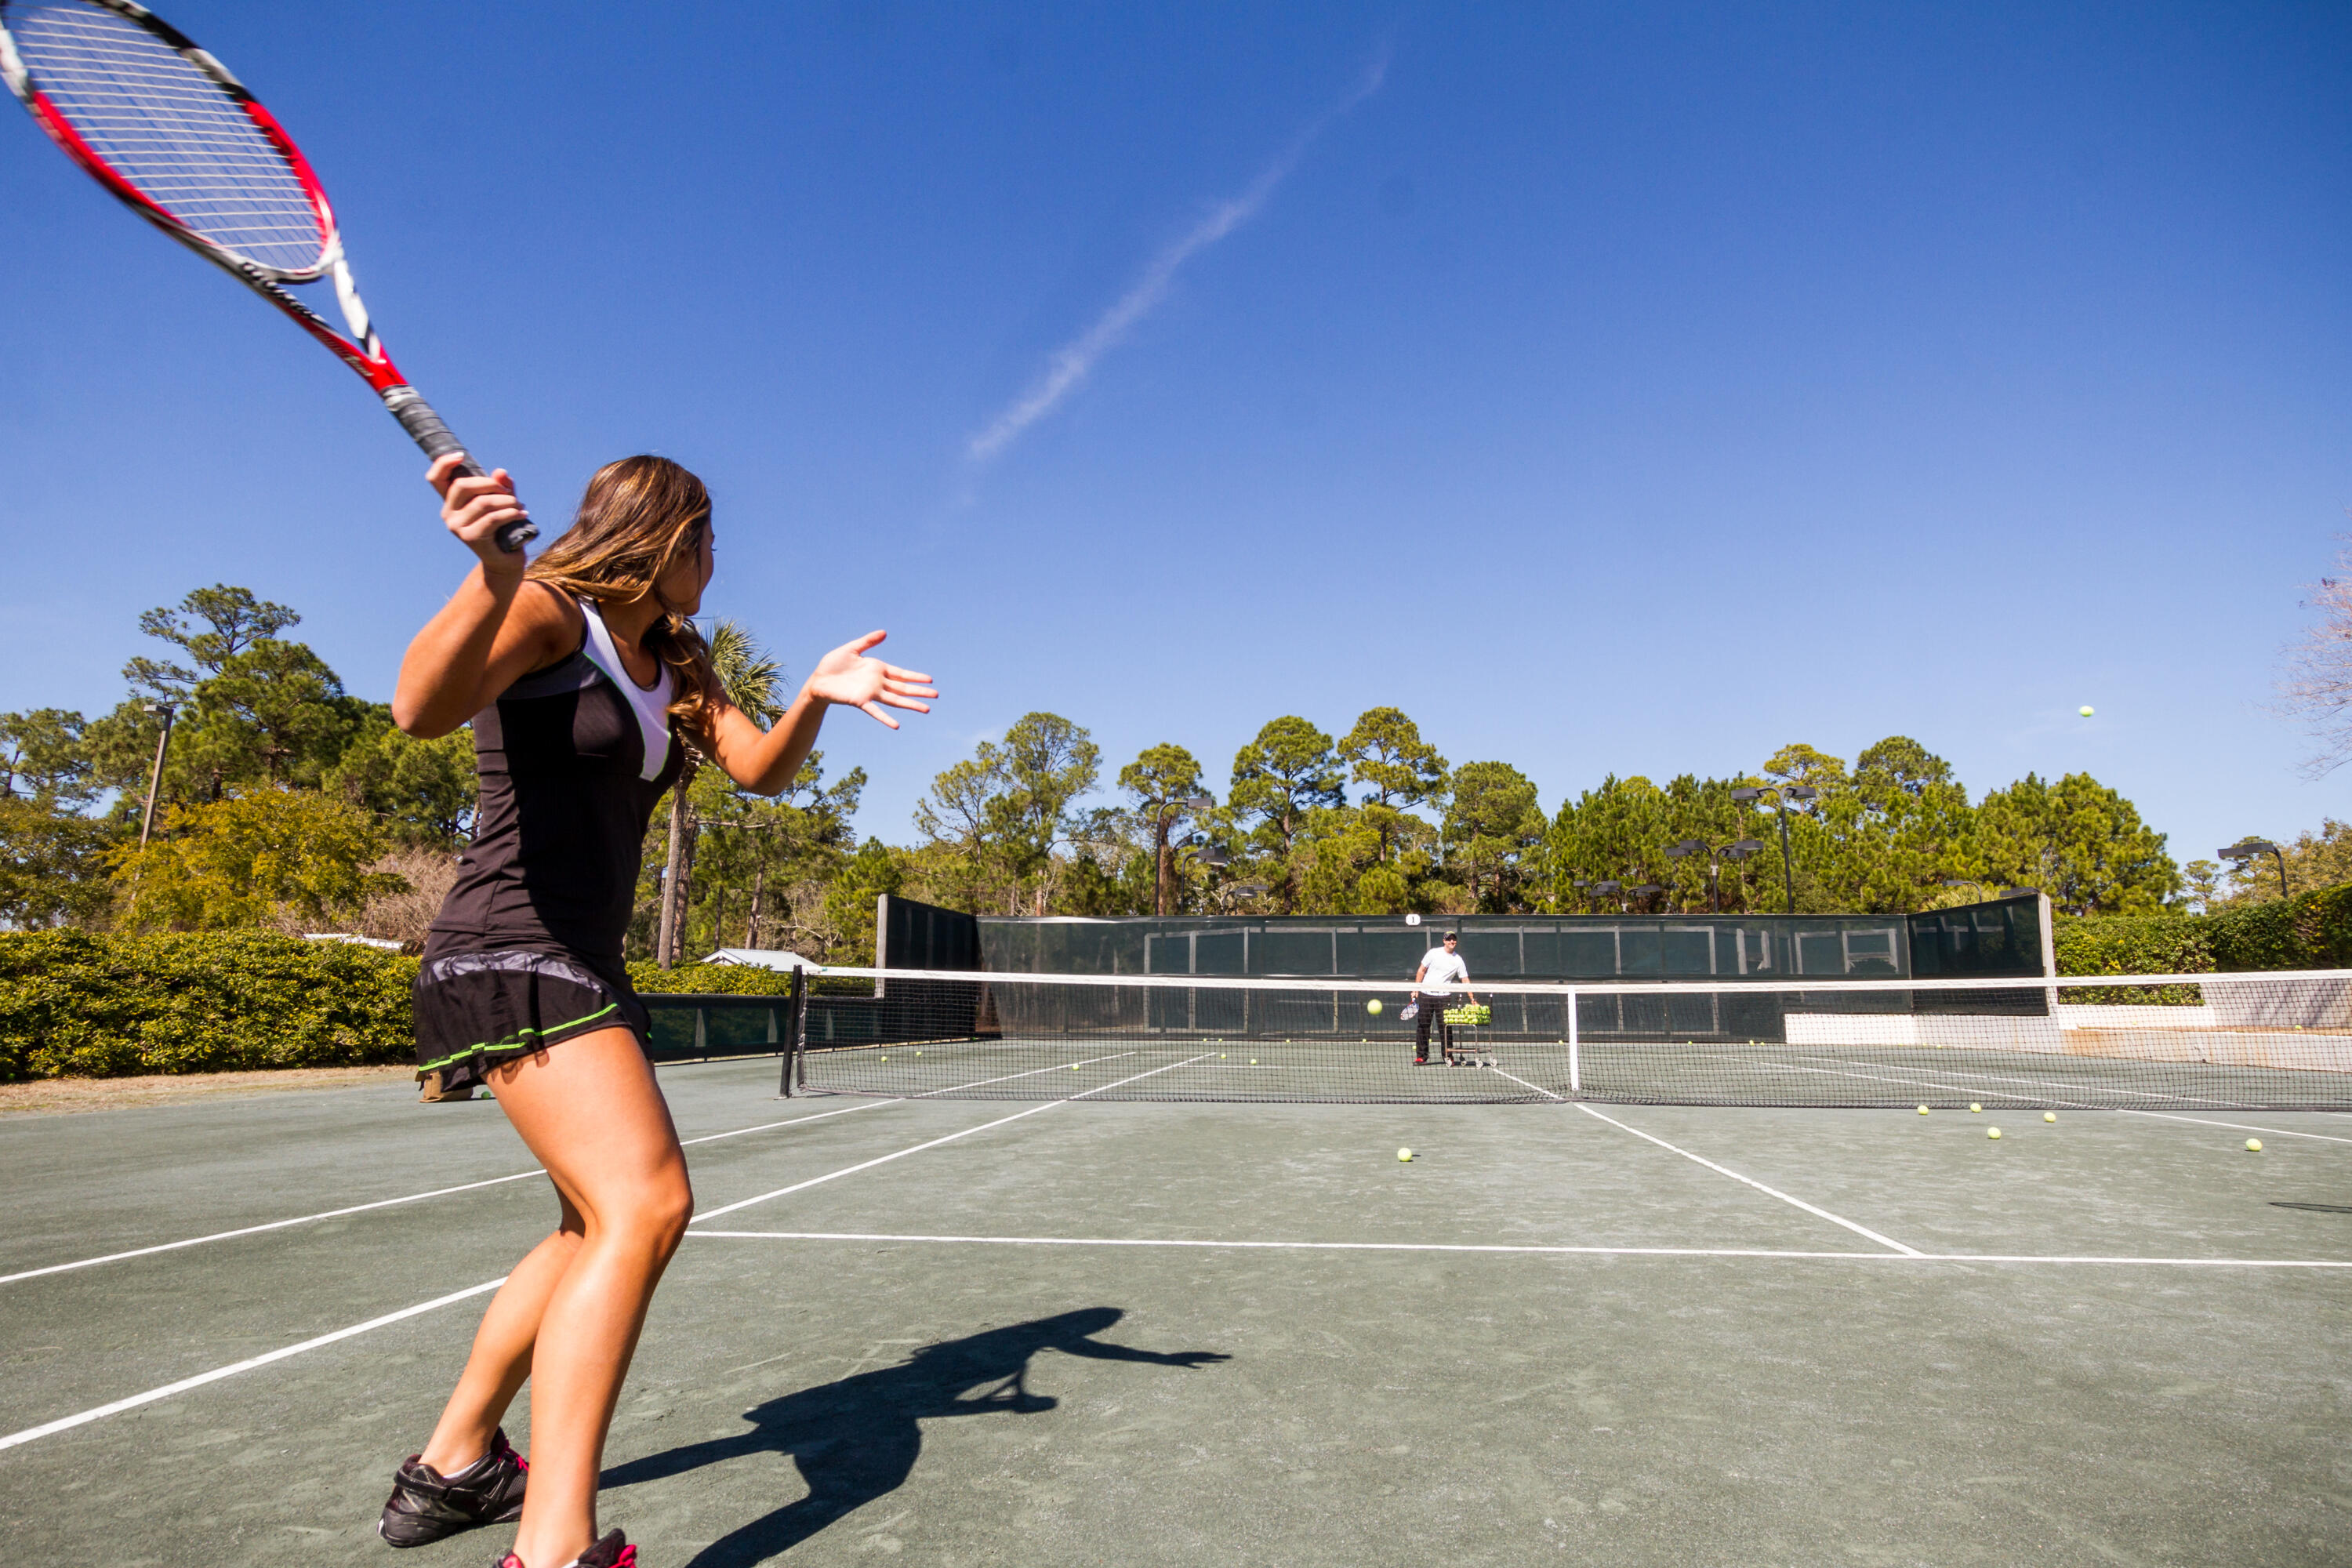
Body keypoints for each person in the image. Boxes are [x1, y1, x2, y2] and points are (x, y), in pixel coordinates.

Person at [376, 454, 936, 1568]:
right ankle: (554, 1545)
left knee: (595, 1221)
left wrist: (814, 698)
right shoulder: (546, 609)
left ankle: (454, 1465)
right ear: (666, 537)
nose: (718, 565)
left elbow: (760, 770)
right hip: (507, 947)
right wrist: (486, 579)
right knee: (650, 1204)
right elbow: (418, 710)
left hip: (579, 957)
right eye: (709, 543)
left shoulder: (677, 653)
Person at [1410, 930, 1478, 1065]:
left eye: (1454, 939)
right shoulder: (1433, 953)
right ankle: (1421, 1056)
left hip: (1444, 997)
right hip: (1426, 994)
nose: (1452, 942)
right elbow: (1421, 970)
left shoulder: (1458, 960)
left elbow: (1465, 979)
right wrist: (1415, 989)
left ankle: (1448, 1056)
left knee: (1446, 1027)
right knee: (1423, 1026)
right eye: (1449, 939)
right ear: (1444, 941)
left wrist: (1473, 999)